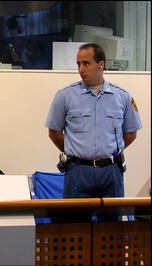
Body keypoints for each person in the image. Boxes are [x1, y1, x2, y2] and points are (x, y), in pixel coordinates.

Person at [45, 43, 142, 219]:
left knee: (112, 233)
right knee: (74, 230)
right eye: (78, 64)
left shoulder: (122, 96)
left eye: (86, 63)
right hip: (78, 171)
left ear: (101, 65)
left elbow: (130, 134)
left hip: (111, 171)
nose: (81, 69)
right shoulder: (65, 96)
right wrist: (76, 152)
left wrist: (109, 151)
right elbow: (54, 132)